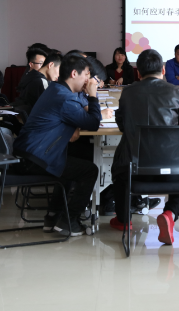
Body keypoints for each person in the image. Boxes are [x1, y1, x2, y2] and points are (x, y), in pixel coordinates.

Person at [13, 54, 111, 236]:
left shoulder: (57, 89)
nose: (88, 80)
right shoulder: (65, 98)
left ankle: (53, 216)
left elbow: (81, 115)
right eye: (86, 75)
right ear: (74, 74)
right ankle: (69, 221)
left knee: (73, 158)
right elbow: (93, 123)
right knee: (89, 170)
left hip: (30, 153)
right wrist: (92, 95)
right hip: (36, 158)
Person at [109, 49, 179, 245]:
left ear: (138, 72)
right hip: (172, 169)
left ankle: (123, 219)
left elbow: (122, 125)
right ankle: (170, 213)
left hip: (133, 168)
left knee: (119, 170)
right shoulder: (176, 92)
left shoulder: (128, 92)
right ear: (163, 70)